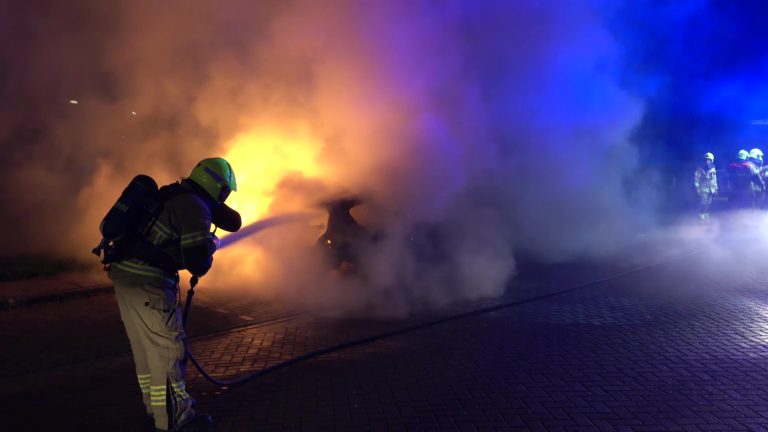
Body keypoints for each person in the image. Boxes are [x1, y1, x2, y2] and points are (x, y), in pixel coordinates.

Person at [107, 157, 238, 431]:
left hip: (125, 276)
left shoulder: (175, 194)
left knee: (147, 351)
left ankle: (156, 412)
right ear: (217, 186)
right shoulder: (195, 208)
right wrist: (210, 244)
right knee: (168, 351)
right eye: (225, 190)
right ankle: (177, 420)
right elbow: (198, 262)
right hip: (149, 283)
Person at [694, 152, 718, 222]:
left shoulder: (713, 168)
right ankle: (701, 218)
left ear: (712, 160)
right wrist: (697, 188)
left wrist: (716, 188)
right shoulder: (700, 168)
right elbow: (696, 178)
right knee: (703, 203)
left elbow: (714, 179)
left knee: (709, 203)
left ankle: (707, 217)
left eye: (709, 160)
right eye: (706, 160)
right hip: (703, 189)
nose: (707, 161)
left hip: (711, 189)